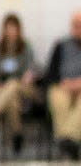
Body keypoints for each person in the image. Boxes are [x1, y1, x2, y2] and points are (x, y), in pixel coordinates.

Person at [0, 12, 37, 155]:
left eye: (13, 28)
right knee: (12, 98)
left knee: (14, 84)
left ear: (18, 29)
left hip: (25, 90)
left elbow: (29, 73)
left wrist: (25, 77)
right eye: (8, 28)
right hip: (7, 93)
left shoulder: (26, 48)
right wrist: (0, 84)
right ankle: (17, 133)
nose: (11, 31)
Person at [46, 10, 81, 159]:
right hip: (62, 86)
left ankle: (69, 139)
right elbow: (51, 73)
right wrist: (64, 83)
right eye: (75, 25)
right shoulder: (61, 45)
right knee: (59, 100)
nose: (77, 28)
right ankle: (67, 145)